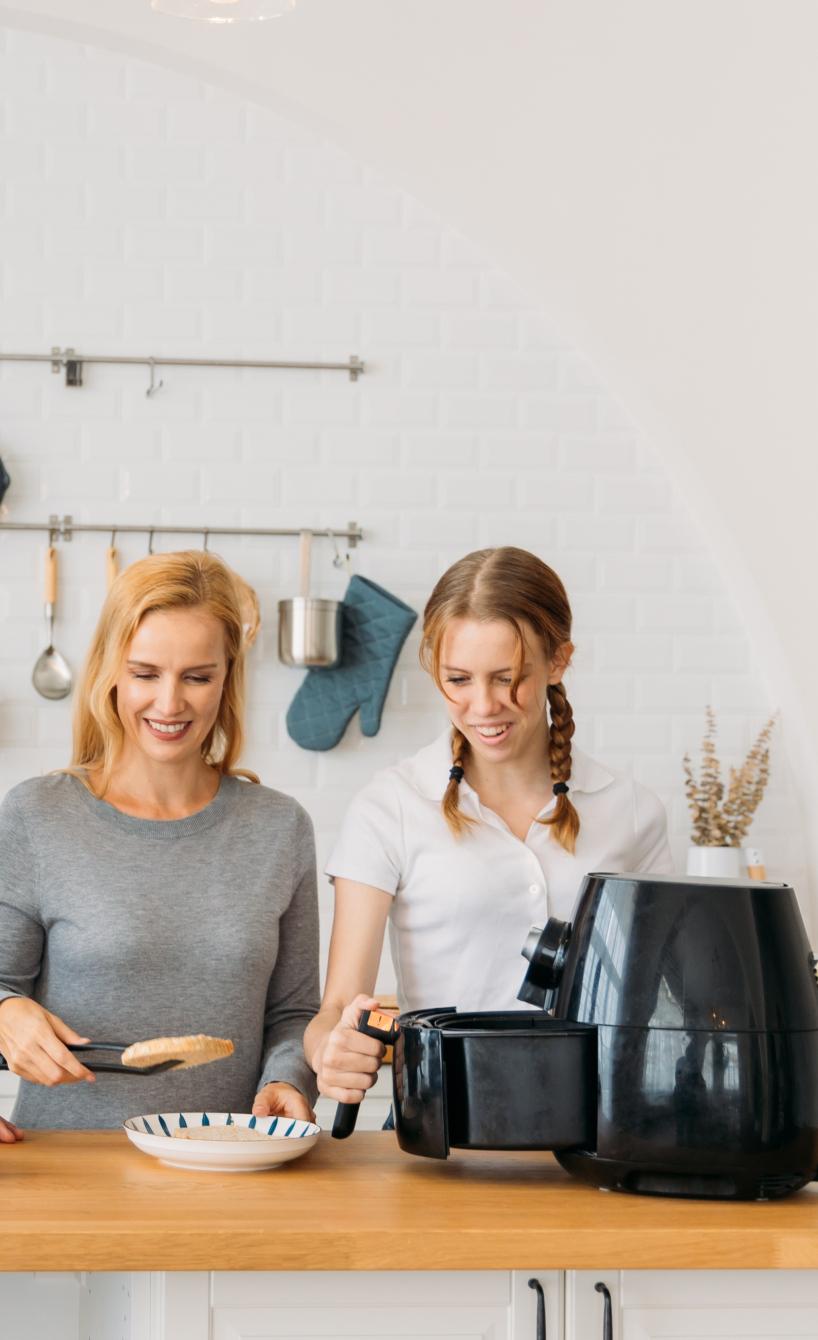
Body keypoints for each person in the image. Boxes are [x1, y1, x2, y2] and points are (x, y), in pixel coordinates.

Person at [305, 546, 673, 1106]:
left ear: (558, 661)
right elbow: (336, 1009)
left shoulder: (632, 812)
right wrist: (330, 1052)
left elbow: (657, 997)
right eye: (459, 679)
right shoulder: (390, 807)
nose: (483, 706)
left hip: (597, 1127)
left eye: (507, 678)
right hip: (443, 1126)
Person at [0, 551, 318, 1131]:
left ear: (227, 679)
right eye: (145, 674)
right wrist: (7, 1014)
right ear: (111, 672)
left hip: (228, 1157)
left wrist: (286, 1079)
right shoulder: (36, 815)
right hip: (68, 1162)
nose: (169, 703)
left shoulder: (280, 827)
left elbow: (294, 1013)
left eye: (198, 677)